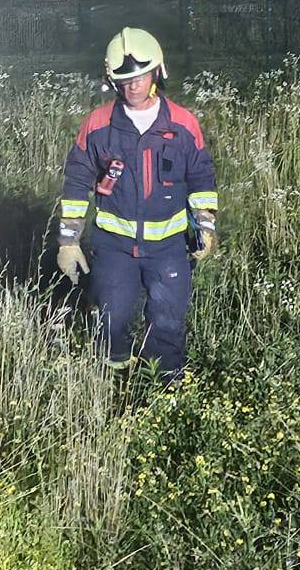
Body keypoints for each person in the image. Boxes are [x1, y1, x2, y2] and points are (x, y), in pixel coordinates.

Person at [55, 26, 217, 386]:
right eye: (125, 79)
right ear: (113, 82)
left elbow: (202, 178)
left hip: (169, 248)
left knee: (168, 321)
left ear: (157, 72)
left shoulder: (183, 124)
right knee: (110, 320)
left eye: (140, 76)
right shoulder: (97, 126)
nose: (133, 86)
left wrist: (206, 226)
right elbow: (77, 184)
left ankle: (167, 392)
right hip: (114, 248)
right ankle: (116, 388)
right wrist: (68, 241)